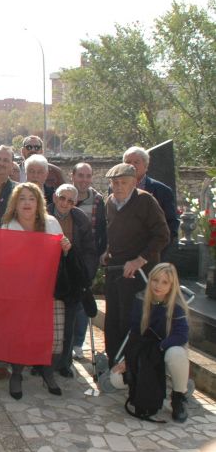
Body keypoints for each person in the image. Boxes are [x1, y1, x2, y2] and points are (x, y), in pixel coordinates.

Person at [1, 182, 71, 399]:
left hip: (49, 289)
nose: (27, 203)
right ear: (15, 203)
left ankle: (47, 373)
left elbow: (63, 258)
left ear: (39, 202)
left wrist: (66, 248)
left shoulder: (51, 224)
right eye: (22, 198)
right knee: (21, 333)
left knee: (50, 334)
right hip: (19, 292)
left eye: (31, 198)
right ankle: (17, 374)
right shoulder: (6, 227)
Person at [101, 163, 170, 367]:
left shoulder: (145, 201)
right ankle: (114, 359)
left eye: (123, 182)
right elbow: (112, 233)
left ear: (134, 182)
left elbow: (162, 235)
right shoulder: (110, 203)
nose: (118, 187)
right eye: (115, 183)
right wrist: (107, 251)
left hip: (140, 270)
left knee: (130, 318)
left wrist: (140, 259)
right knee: (112, 316)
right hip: (116, 269)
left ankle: (131, 363)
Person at [114, 263, 190, 423]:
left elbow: (181, 335)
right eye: (155, 280)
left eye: (165, 282)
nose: (158, 285)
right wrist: (128, 359)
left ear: (171, 285)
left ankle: (179, 397)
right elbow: (134, 333)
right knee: (116, 379)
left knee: (176, 353)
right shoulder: (140, 300)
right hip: (145, 350)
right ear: (150, 280)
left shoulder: (176, 305)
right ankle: (147, 391)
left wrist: (159, 348)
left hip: (166, 350)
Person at [46, 184, 98, 377]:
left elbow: (90, 250)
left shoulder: (80, 219)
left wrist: (86, 276)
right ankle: (41, 362)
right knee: (48, 322)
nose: (65, 203)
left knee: (69, 323)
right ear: (54, 197)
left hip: (71, 276)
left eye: (70, 200)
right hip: (47, 275)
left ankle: (64, 363)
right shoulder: (43, 215)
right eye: (62, 198)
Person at [70, 162, 106, 358]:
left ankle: (78, 343)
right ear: (73, 176)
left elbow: (102, 230)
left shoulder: (99, 201)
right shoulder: (64, 196)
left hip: (87, 258)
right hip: (66, 258)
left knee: (83, 302)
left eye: (87, 176)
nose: (84, 180)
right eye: (80, 175)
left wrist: (97, 257)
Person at [122, 146, 179, 243]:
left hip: (151, 252)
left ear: (146, 166)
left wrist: (157, 249)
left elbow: (171, 224)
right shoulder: (116, 188)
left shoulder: (162, 191)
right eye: (128, 162)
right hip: (123, 251)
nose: (131, 165)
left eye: (136, 162)